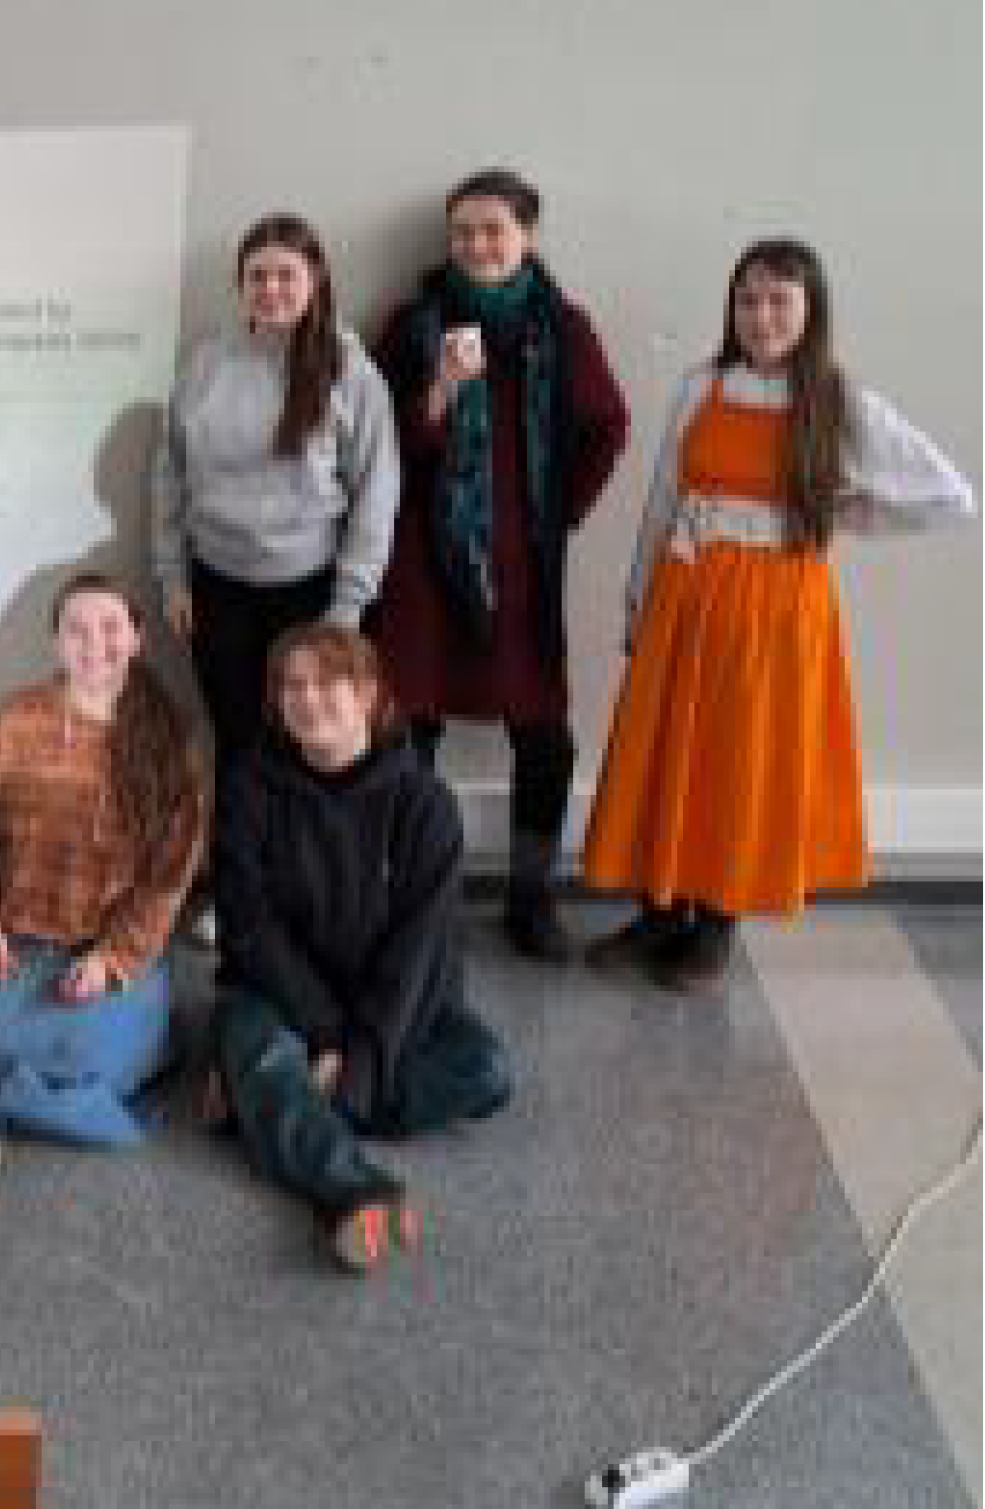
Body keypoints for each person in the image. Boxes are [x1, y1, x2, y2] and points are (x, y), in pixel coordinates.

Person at [582, 239, 975, 990]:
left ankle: (716, 923)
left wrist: (843, 512)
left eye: (779, 301)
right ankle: (660, 912)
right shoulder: (702, 386)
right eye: (748, 300)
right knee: (667, 752)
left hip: (777, 613)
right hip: (686, 598)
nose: (761, 317)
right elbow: (664, 499)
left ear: (810, 309)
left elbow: (950, 496)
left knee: (739, 761)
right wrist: (638, 598)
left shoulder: (838, 402)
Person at [369, 168, 628, 962]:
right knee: (409, 729)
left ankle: (531, 898)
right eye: (463, 232)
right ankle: (415, 898)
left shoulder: (562, 327)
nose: (477, 245)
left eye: (494, 230)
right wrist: (441, 390)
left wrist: (557, 516)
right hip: (420, 557)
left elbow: (608, 427)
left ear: (527, 235)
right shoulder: (412, 324)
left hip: (520, 567)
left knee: (544, 737)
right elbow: (374, 444)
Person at [209, 623, 512, 1274]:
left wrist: (357, 1066)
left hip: (390, 1006)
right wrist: (325, 1035)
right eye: (292, 685)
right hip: (278, 997)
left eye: (327, 682)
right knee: (264, 1046)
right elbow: (249, 928)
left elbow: (419, 953)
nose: (307, 698)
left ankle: (265, 1103)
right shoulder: (247, 787)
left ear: (369, 694)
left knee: (486, 1071)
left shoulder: (425, 803)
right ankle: (352, 1191)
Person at [0, 573, 204, 1148]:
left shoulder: (169, 745)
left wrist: (109, 962)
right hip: (12, 940)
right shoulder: (8, 723)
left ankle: (29, 1084)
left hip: (105, 949)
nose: (94, 644)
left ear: (137, 638)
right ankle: (19, 1084)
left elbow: (167, 880)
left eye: (110, 628)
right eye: (76, 630)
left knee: (88, 1058)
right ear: (56, 643)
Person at [153, 214, 399, 941]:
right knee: (237, 743)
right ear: (240, 286)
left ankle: (312, 891)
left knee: (313, 744)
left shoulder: (351, 371)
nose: (270, 288)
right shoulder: (206, 363)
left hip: (312, 594)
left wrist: (347, 608)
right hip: (217, 588)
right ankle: (239, 892)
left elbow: (377, 493)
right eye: (256, 276)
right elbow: (169, 473)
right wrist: (172, 576)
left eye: (286, 274)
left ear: (315, 280)